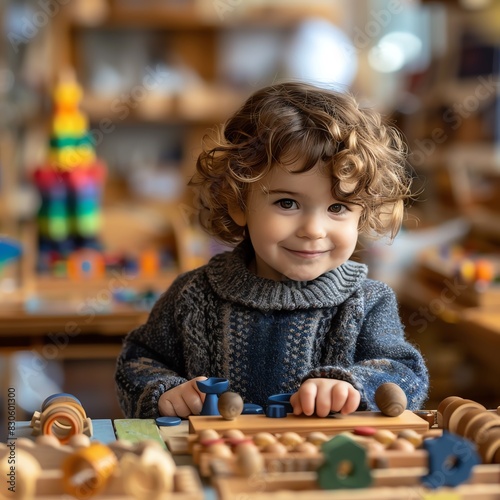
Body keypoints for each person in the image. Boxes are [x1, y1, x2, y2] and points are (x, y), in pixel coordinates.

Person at [115, 81, 429, 419]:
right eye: (287, 202)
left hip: (326, 466)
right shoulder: (192, 296)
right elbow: (136, 363)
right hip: (214, 465)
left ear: (362, 214)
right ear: (239, 204)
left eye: (338, 208)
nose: (313, 229)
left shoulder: (367, 302)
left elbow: (406, 376)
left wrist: (353, 385)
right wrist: (165, 391)